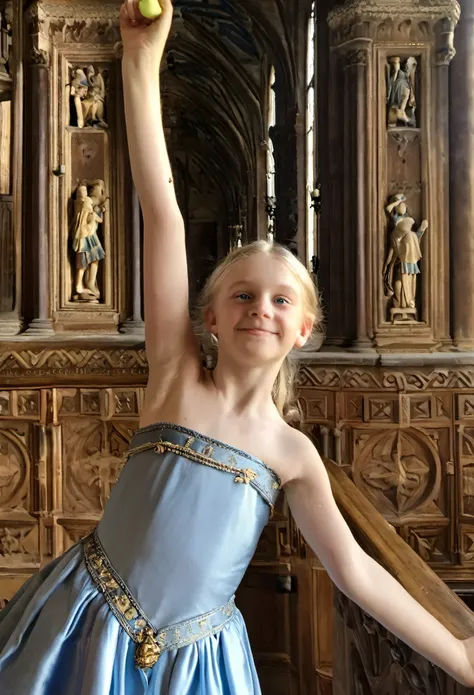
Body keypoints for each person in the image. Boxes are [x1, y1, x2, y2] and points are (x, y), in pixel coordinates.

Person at [0, 1, 473, 692]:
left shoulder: (292, 452)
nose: (262, 308)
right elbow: (160, 210)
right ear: (211, 318)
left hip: (200, 661)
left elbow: (355, 570)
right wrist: (140, 61)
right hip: (89, 624)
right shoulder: (176, 377)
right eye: (243, 294)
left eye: (282, 300)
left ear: (303, 328)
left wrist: (460, 654)